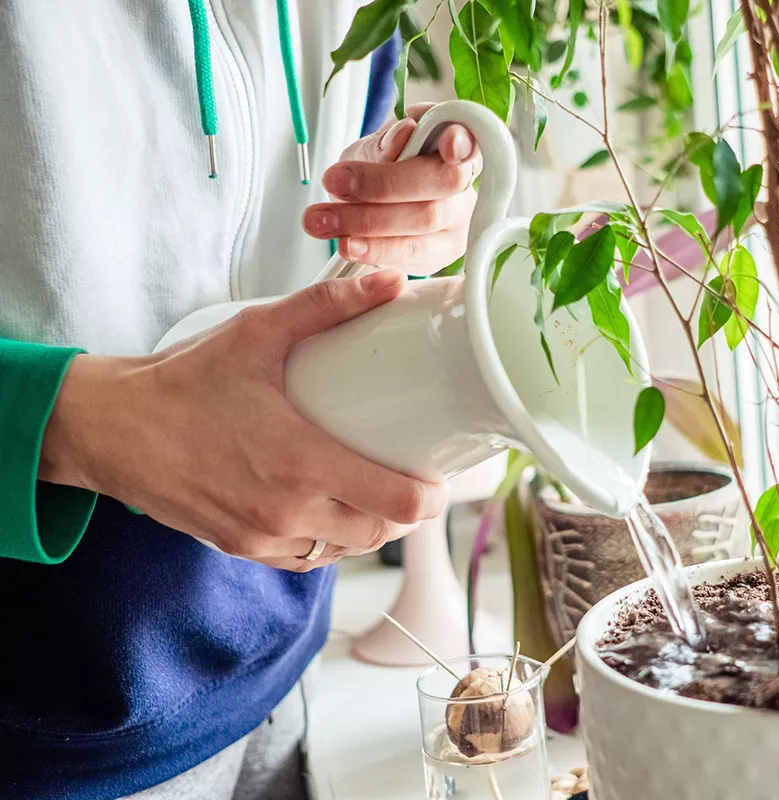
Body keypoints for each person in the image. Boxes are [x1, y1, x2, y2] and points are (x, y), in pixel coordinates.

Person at [0, 3, 479, 798]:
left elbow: (315, 237)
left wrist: (410, 224)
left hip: (288, 661)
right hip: (43, 737)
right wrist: (75, 424)